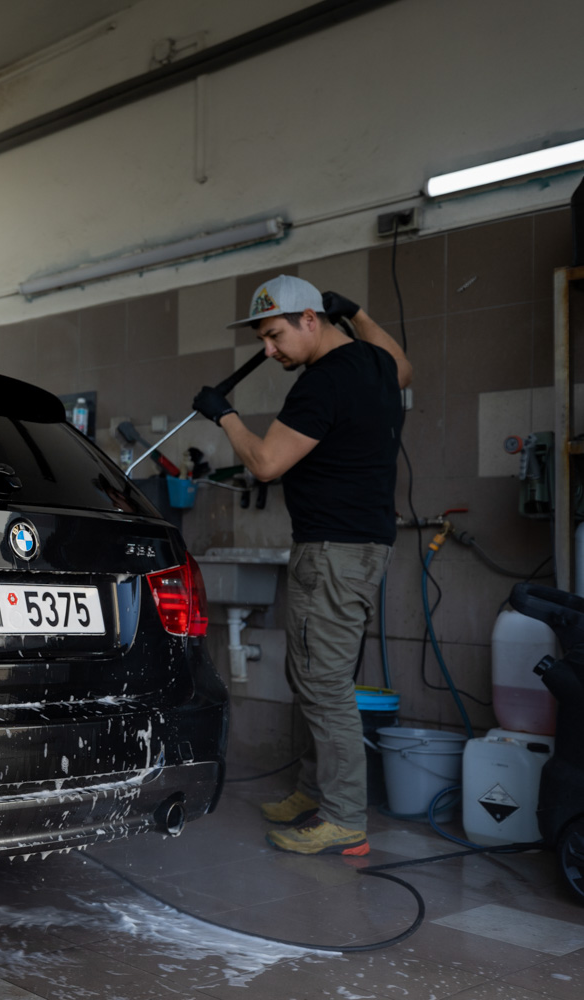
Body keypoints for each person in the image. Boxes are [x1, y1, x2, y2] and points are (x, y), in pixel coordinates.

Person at [192, 274, 413, 856]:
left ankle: (343, 817)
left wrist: (224, 415)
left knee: (323, 684)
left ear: (310, 320)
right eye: (263, 340)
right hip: (359, 546)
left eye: (275, 336)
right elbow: (404, 367)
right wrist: (357, 312)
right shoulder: (371, 362)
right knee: (313, 675)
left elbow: (266, 463)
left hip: (334, 549)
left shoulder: (323, 382)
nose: (269, 351)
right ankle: (316, 792)